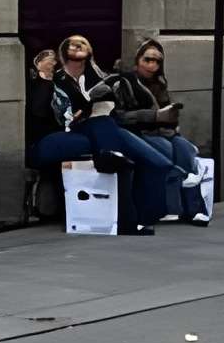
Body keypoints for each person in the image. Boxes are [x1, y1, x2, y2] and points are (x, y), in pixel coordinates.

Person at [50, 33, 192, 226]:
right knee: (151, 159)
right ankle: (145, 214)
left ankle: (180, 205)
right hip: (102, 128)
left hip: (112, 127)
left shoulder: (98, 76)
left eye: (82, 42)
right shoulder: (59, 79)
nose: (78, 46)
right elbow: (112, 114)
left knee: (180, 150)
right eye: (72, 44)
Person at [112, 38, 208, 220]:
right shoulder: (124, 82)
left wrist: (171, 117)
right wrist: (154, 116)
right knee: (168, 151)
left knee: (186, 151)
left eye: (157, 61)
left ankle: (193, 209)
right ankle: (171, 207)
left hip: (165, 132)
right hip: (139, 133)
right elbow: (119, 117)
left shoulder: (160, 84)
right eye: (147, 60)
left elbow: (167, 115)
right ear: (138, 60)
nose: (152, 65)